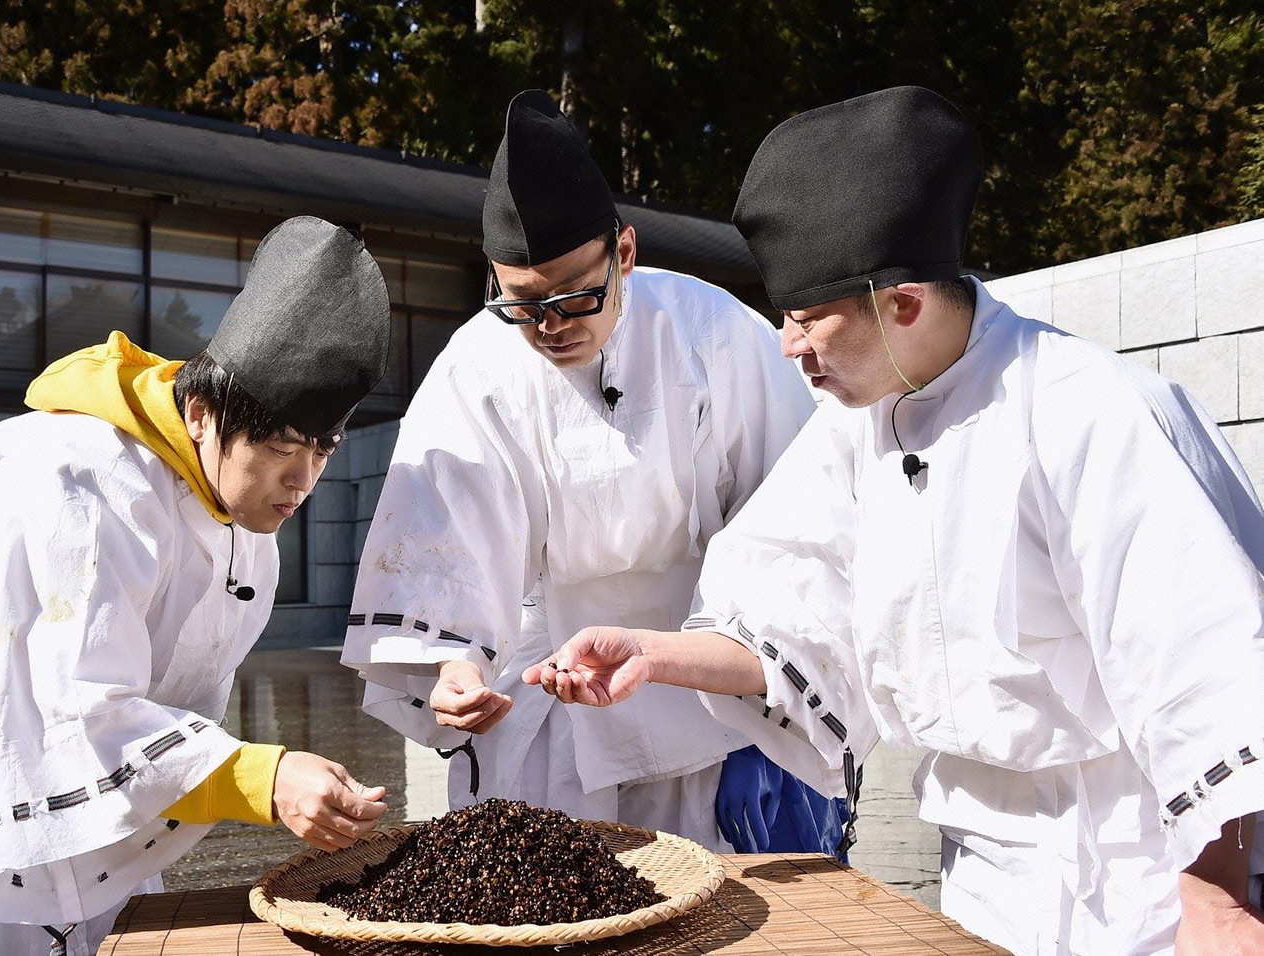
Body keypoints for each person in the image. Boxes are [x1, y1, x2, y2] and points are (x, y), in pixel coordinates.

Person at [525, 85, 1264, 954]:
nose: (788, 346)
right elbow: (792, 625)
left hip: (1139, 873)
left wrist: (1217, 907)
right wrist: (651, 654)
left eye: (807, 320)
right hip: (983, 869)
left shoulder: (1094, 412)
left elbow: (1207, 679)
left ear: (903, 302)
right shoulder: (858, 425)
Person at [0, 216, 392, 956]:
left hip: (46, 708)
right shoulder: (76, 486)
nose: (302, 481)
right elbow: (62, 709)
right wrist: (258, 777)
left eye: (322, 450)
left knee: (90, 901)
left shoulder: (237, 504)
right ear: (202, 415)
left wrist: (225, 770)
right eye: (280, 449)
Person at [339, 88, 839, 853]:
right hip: (542, 694)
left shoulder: (710, 332)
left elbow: (789, 522)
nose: (551, 327)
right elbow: (441, 537)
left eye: (576, 297)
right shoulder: (477, 363)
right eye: (523, 304)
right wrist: (453, 667)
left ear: (625, 254)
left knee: (705, 894)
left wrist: (760, 697)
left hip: (694, 686)